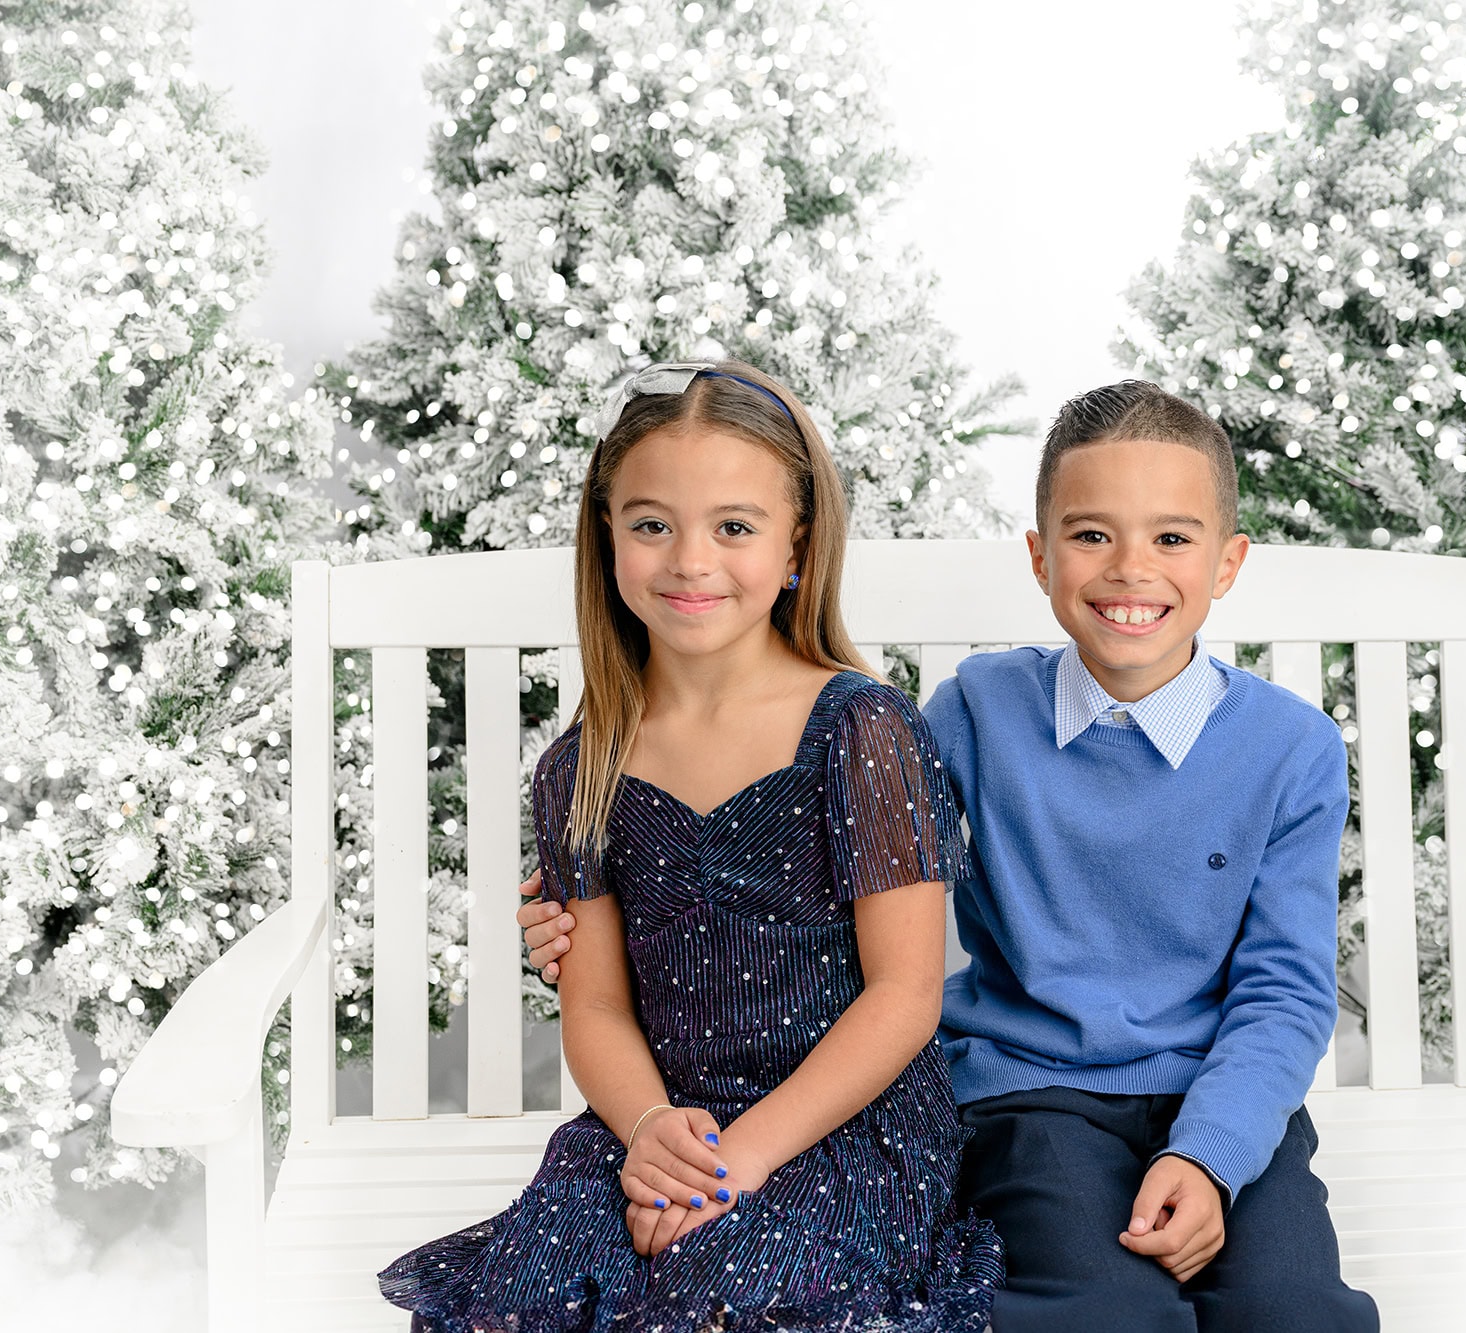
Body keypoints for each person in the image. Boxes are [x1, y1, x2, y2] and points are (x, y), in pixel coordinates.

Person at [522, 379, 1380, 1331]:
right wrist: (585, 909)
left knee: (1300, 1312)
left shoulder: (1292, 747)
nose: (1131, 569)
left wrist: (1211, 1151)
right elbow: (817, 851)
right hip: (1032, 1094)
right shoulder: (973, 714)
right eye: (1092, 535)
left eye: (1172, 539)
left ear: (1226, 564)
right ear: (1039, 556)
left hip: (1228, 1090)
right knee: (1098, 1314)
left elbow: (1287, 989)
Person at [378, 361, 1001, 1333]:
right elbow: (592, 1005)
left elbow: (903, 997)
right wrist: (645, 1129)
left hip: (837, 1123)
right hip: (656, 1118)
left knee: (720, 1296)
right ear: (608, 538)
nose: (688, 559)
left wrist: (738, 1158)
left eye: (734, 526)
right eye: (651, 523)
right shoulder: (581, 767)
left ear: (796, 546)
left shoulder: (860, 731)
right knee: (532, 1295)